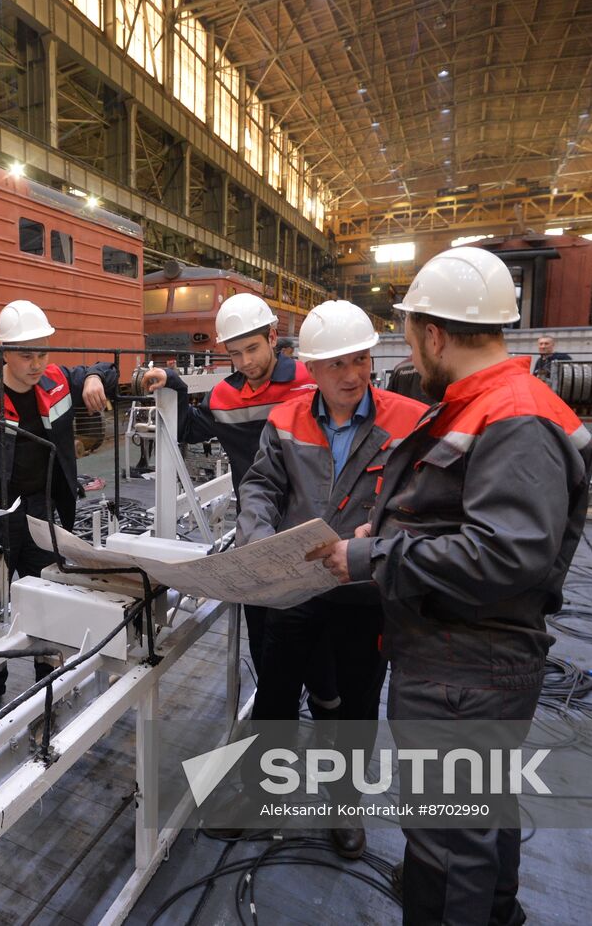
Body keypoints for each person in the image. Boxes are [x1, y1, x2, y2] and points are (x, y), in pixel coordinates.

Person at [311, 247, 592, 925]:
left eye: (410, 335)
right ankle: (499, 911)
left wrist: (371, 555)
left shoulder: (513, 416)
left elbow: (506, 554)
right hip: (461, 658)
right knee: (479, 818)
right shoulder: (490, 404)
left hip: (466, 664)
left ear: (433, 335)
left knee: (446, 846)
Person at [237, 300, 428, 858]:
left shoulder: (406, 420)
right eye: (337, 365)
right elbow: (261, 486)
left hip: (365, 588)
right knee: (274, 694)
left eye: (361, 361)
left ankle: (345, 808)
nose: (352, 375)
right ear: (312, 369)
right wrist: (257, 538)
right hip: (296, 585)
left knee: (358, 704)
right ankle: (258, 797)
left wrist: (380, 537)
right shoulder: (286, 418)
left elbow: (421, 501)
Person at [0, 300, 118, 714]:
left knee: (49, 599)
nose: (35, 364)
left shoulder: (58, 381)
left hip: (41, 513)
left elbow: (105, 369)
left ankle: (50, 685)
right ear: (3, 353)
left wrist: (96, 378)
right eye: (26, 355)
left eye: (42, 353)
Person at [141, 293, 316, 677]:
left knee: (311, 640)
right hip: (255, 528)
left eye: (252, 348)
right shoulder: (226, 396)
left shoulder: (309, 382)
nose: (245, 362)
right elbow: (189, 428)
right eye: (235, 354)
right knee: (262, 632)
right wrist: (175, 382)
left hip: (307, 529)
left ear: (273, 337)